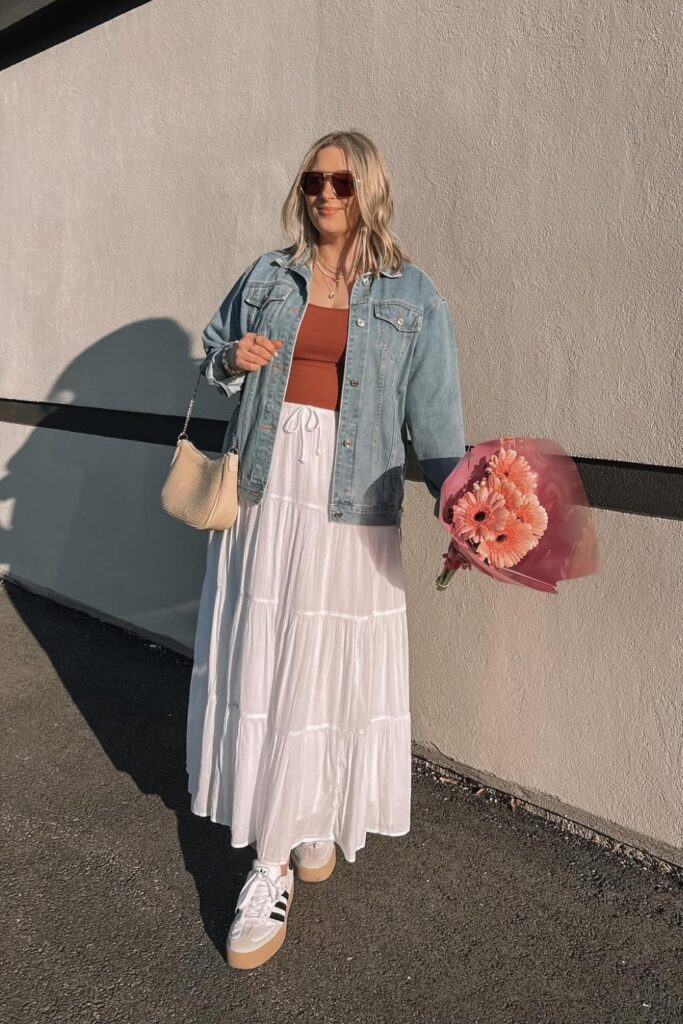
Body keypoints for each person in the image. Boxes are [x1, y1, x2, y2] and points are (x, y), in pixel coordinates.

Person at [185, 129, 466, 969]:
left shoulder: (412, 294)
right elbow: (211, 354)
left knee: (322, 663)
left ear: (368, 188)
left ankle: (304, 820)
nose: (325, 194)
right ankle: (270, 860)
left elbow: (437, 420)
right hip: (270, 489)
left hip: (354, 500)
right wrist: (231, 358)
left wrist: (467, 507)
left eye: (341, 181)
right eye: (313, 180)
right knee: (270, 658)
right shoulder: (269, 276)